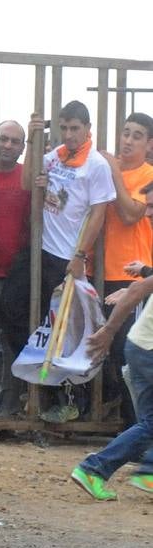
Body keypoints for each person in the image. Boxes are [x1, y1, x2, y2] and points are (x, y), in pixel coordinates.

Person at [2, 101, 116, 423]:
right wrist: (33, 139)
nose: (69, 134)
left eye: (74, 128)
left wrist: (80, 255)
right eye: (63, 128)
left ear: (88, 128)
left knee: (64, 331)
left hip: (66, 257)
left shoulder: (95, 164)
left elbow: (98, 213)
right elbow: (27, 183)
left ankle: (72, 399)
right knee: (11, 309)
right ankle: (42, 385)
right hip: (39, 248)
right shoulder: (56, 156)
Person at [71, 190, 153, 501]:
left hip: (142, 346)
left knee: (149, 422)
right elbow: (136, 293)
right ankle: (104, 469)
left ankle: (130, 471)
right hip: (147, 349)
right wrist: (106, 332)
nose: (147, 215)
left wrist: (144, 272)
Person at [100, 113, 153, 423]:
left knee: (126, 351)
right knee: (108, 352)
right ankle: (122, 422)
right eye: (125, 133)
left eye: (137, 135)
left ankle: (136, 427)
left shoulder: (149, 174)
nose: (128, 140)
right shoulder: (109, 169)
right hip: (102, 272)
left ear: (149, 144)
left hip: (133, 275)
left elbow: (130, 213)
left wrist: (113, 171)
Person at [0, 121, 30, 416]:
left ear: (23, 148)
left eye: (15, 141)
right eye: (3, 139)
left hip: (18, 278)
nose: (8, 145)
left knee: (14, 348)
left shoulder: (29, 177)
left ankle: (6, 417)